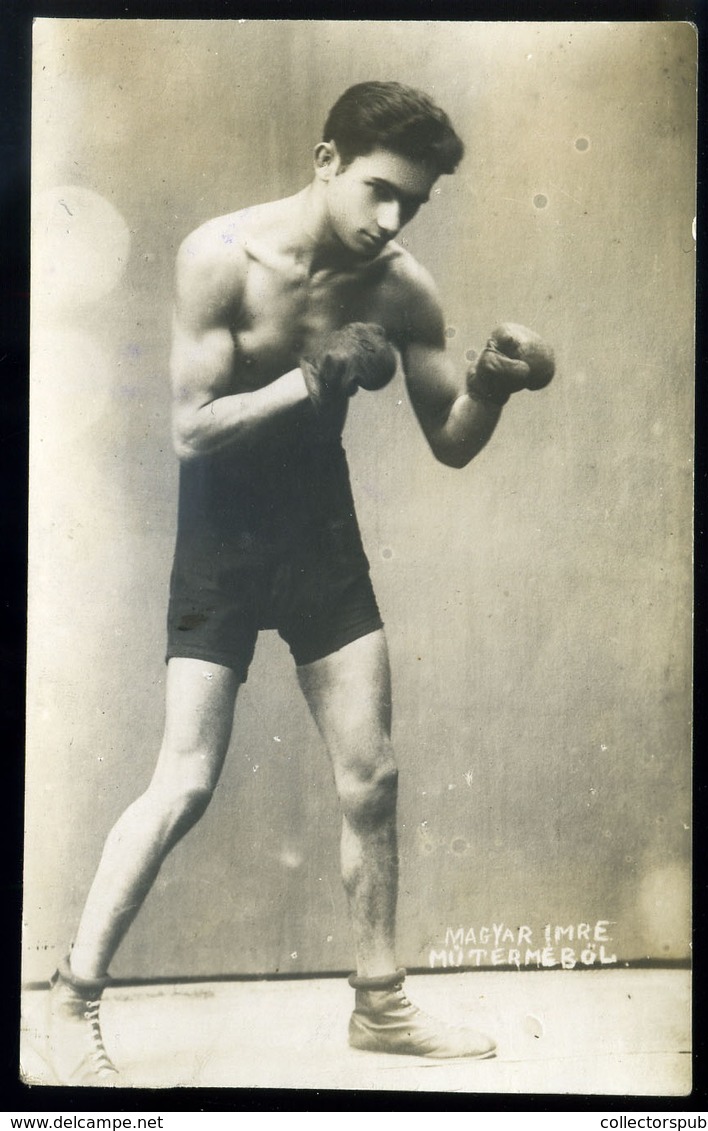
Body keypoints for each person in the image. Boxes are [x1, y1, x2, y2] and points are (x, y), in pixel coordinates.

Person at [46, 81, 554, 1085]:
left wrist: (491, 385)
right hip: (221, 542)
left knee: (374, 777)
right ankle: (71, 1002)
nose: (389, 220)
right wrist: (313, 381)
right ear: (325, 161)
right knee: (184, 779)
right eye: (375, 190)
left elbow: (450, 443)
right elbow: (189, 428)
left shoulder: (401, 288)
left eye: (410, 203)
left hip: (320, 532)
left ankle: (381, 1005)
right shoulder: (219, 256)